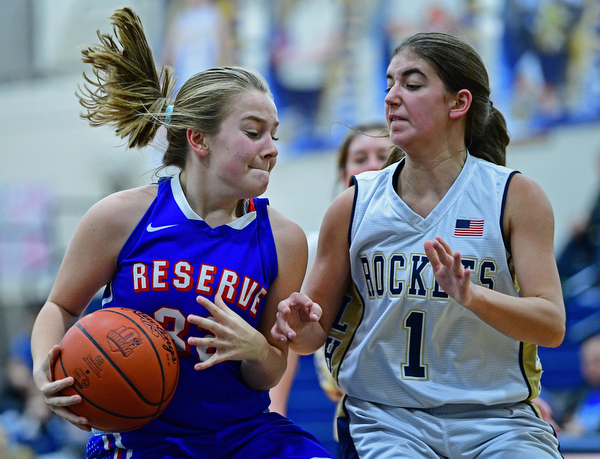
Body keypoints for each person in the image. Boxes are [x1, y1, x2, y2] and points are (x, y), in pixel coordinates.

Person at [30, 8, 333, 459]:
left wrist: (256, 349)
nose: (271, 149)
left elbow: (270, 370)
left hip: (243, 435)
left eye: (274, 133)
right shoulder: (121, 216)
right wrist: (43, 369)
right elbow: (60, 306)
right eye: (253, 132)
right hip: (139, 439)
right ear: (199, 139)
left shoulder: (282, 238)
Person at [272, 31, 566, 458]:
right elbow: (310, 336)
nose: (392, 97)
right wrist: (297, 322)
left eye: (411, 84)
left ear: (458, 103)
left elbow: (552, 324)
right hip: (386, 421)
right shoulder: (354, 204)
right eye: (388, 83)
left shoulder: (516, 196)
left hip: (499, 421)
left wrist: (472, 295)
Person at [268, 122, 394, 420]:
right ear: (343, 176)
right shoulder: (313, 248)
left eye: (384, 156)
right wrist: (276, 415)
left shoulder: (429, 241)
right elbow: (288, 340)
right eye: (360, 159)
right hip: (353, 408)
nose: (373, 165)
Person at [562, 334, 600, 436]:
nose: (590, 368)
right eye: (586, 362)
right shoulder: (578, 392)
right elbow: (562, 421)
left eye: (596, 361)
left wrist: (586, 433)